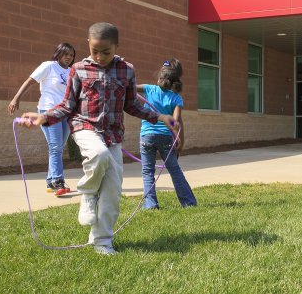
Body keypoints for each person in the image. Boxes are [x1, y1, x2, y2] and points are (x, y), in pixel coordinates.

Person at [19, 22, 177, 255]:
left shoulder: (127, 70)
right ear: (88, 45)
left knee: (113, 190)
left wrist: (160, 117)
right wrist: (44, 118)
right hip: (85, 127)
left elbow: (132, 105)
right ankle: (88, 194)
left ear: (116, 46)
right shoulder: (79, 69)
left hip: (113, 135)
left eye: (106, 52)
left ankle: (102, 241)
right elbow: (67, 105)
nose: (100, 57)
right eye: (95, 51)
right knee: (98, 155)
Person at [8, 43, 76, 196]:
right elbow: (30, 81)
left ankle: (50, 180)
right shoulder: (48, 66)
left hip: (64, 113)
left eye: (71, 55)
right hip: (47, 110)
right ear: (58, 53)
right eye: (66, 54)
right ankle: (58, 182)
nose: (69, 57)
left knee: (58, 147)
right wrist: (16, 99)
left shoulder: (71, 71)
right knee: (55, 147)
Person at [137, 59, 197, 209]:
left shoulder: (149, 89)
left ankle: (151, 205)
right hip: (165, 138)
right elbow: (176, 122)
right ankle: (188, 203)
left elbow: (130, 88)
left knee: (147, 171)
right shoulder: (176, 98)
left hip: (147, 136)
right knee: (175, 170)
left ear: (159, 78)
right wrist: (180, 142)